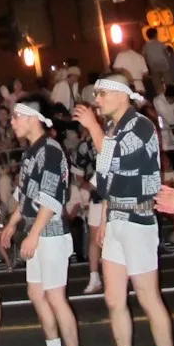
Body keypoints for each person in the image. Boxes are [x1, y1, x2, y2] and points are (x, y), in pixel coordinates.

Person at [74, 75, 174, 346]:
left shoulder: (140, 125)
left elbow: (114, 161)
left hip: (137, 218)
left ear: (123, 95)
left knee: (148, 296)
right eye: (96, 94)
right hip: (119, 217)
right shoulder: (113, 129)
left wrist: (93, 128)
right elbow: (107, 179)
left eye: (103, 93)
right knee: (114, 299)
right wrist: (106, 216)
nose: (98, 99)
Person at [2, 99, 86, 346]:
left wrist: (33, 233)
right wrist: (13, 223)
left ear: (31, 118)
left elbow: (50, 197)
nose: (12, 122)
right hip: (36, 229)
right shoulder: (31, 152)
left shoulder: (50, 150)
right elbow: (25, 194)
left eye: (16, 116)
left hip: (48, 231)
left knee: (54, 296)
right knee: (37, 293)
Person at [69, 106, 104, 294]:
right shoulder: (85, 145)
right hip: (98, 195)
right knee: (94, 236)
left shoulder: (112, 137)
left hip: (119, 192)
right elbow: (77, 172)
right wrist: (89, 187)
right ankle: (94, 276)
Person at [153, 85, 174, 168]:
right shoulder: (158, 101)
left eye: (173, 99)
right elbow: (170, 120)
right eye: (169, 99)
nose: (171, 101)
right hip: (167, 135)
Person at [143, 28, 171, 94]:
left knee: (157, 84)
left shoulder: (146, 46)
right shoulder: (160, 44)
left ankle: (161, 96)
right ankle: (170, 94)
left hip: (153, 66)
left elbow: (144, 57)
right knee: (168, 82)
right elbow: (166, 53)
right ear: (155, 35)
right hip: (164, 64)